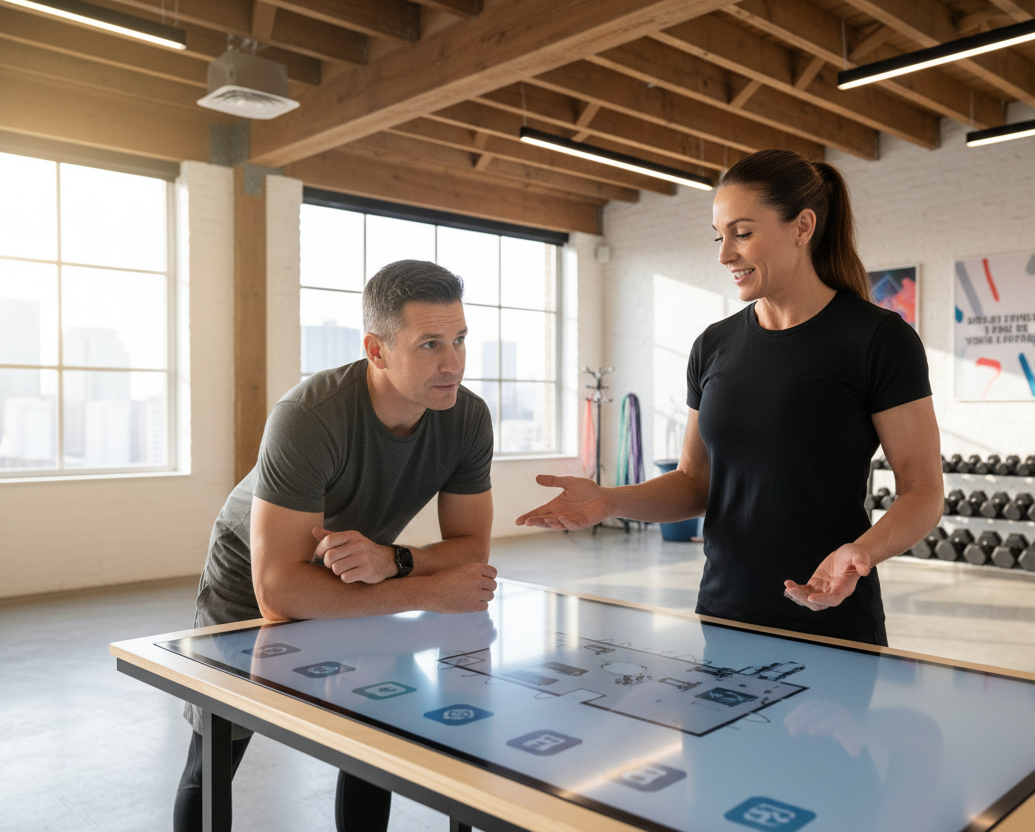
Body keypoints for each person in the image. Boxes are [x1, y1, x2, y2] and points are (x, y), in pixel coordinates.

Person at [516, 149, 943, 646]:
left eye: (742, 233)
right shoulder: (714, 345)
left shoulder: (877, 339)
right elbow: (696, 482)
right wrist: (609, 501)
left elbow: (923, 491)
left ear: (803, 227)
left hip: (831, 621)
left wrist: (861, 553)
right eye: (720, 237)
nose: (724, 255)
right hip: (724, 614)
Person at [174, 260, 499, 832]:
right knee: (218, 743)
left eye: (460, 339)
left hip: (369, 564)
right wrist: (425, 590)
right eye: (429, 345)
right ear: (377, 350)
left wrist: (394, 560)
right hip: (253, 567)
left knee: (374, 730)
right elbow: (279, 590)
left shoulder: (467, 417)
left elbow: (470, 549)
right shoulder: (308, 416)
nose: (453, 363)